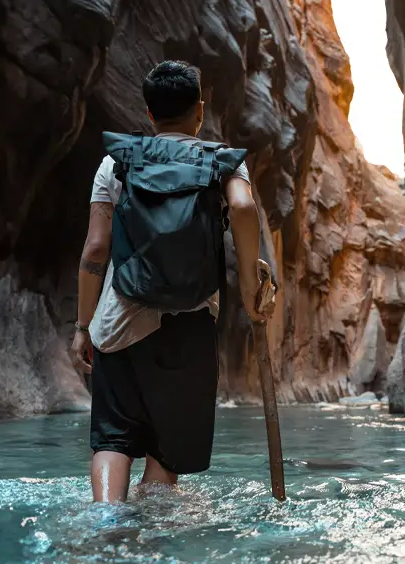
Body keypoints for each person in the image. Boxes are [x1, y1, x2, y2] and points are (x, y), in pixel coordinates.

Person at [68, 60, 267, 503]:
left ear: (150, 113)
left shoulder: (115, 163)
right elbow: (245, 209)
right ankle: (151, 535)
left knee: (112, 438)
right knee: (167, 450)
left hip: (119, 319)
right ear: (199, 110)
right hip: (189, 323)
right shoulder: (223, 162)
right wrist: (253, 292)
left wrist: (83, 326)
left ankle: (104, 525)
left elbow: (95, 249)